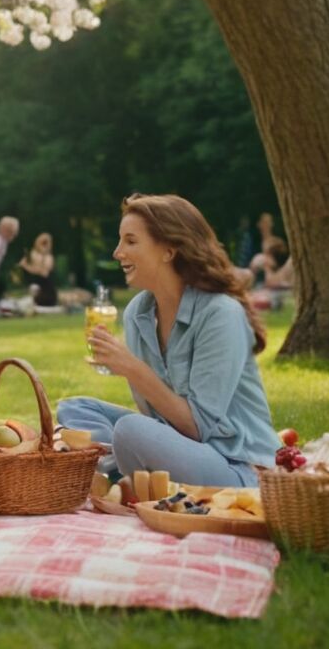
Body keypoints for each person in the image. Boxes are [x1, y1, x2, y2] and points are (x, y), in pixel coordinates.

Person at [57, 194, 278, 488]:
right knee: (74, 409)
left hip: (235, 465)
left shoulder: (220, 314)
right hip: (181, 447)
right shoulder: (138, 312)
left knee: (129, 430)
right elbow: (158, 418)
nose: (117, 252)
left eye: (131, 241)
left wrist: (132, 369)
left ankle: (114, 469)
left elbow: (199, 428)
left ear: (168, 251)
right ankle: (121, 466)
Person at [18, 232, 58, 306]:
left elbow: (45, 273)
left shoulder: (48, 257)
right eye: (43, 243)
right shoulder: (32, 255)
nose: (46, 246)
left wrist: (43, 256)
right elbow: (22, 265)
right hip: (35, 287)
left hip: (47, 291)